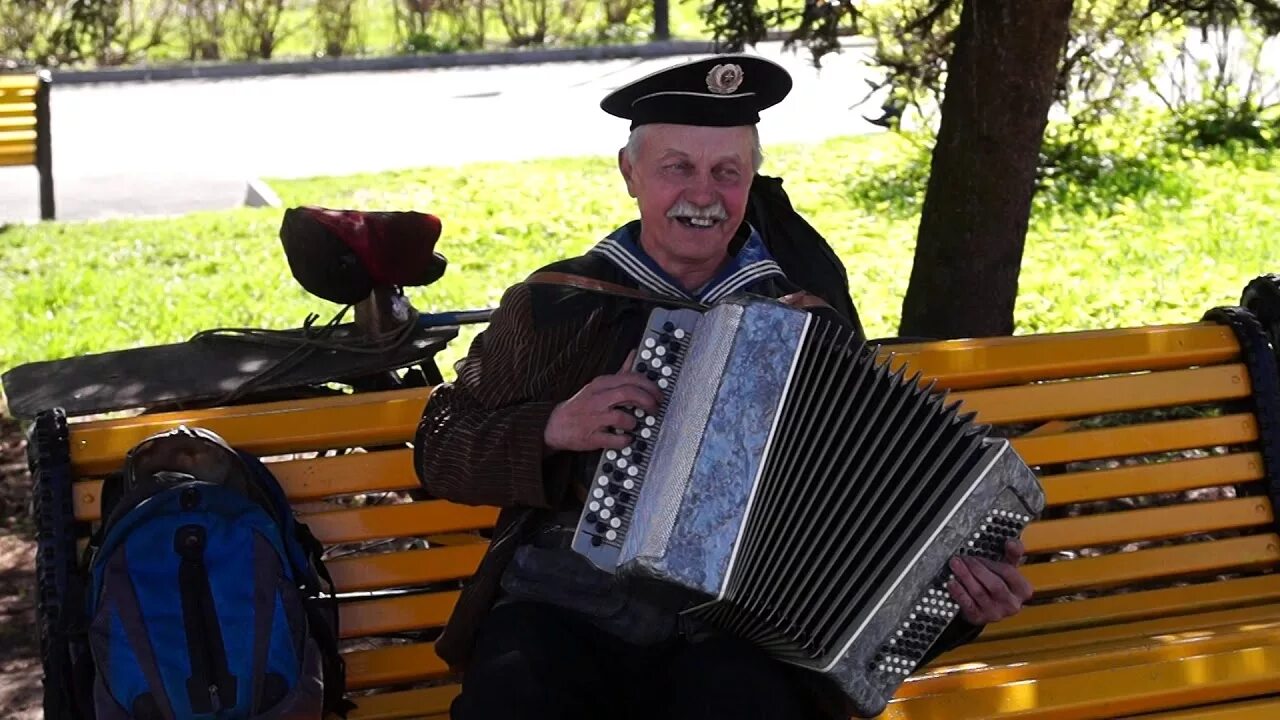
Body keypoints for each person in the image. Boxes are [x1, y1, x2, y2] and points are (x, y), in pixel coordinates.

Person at [413, 53, 1033, 720]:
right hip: (564, 614)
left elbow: (877, 507)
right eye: (677, 167)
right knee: (518, 691)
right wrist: (549, 428)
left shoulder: (805, 320)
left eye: (727, 173)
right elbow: (441, 445)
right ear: (631, 174)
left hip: (733, 636)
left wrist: (958, 602)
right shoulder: (559, 304)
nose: (703, 194)